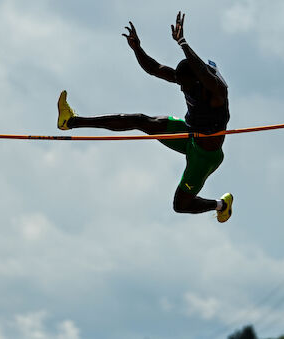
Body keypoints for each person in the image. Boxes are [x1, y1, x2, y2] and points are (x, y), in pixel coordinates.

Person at [57, 12, 233, 223]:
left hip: (204, 155)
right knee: (140, 120)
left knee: (180, 205)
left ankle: (221, 205)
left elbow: (204, 74)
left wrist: (183, 43)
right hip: (189, 135)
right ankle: (71, 121)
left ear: (198, 81)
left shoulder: (216, 93)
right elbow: (155, 69)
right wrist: (137, 49)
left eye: (185, 85)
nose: (181, 88)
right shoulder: (185, 78)